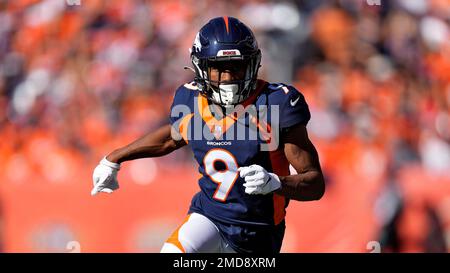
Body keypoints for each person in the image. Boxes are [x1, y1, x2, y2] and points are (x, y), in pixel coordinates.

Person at [91, 17, 325, 253]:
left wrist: (275, 183)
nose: (228, 79)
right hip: (208, 217)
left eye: (236, 67)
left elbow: (314, 183)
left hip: (259, 232)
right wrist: (113, 158)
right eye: (217, 68)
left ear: (252, 64)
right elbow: (171, 138)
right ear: (201, 67)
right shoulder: (191, 99)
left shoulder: (276, 103)